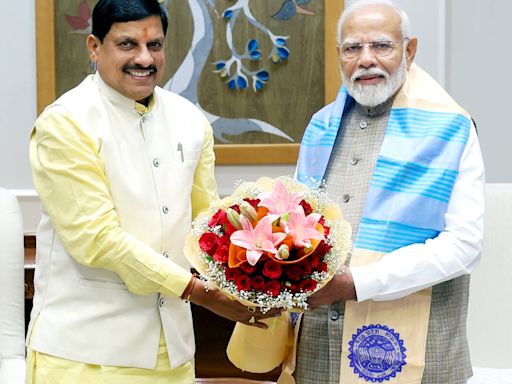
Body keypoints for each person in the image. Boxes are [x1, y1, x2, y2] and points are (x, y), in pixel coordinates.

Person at [26, 0, 278, 382]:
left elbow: (206, 225)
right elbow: (97, 239)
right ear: (94, 47)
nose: (144, 58)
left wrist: (268, 273)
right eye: (127, 44)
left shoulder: (189, 120)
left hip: (173, 352)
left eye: (155, 45)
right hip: (85, 355)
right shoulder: (65, 124)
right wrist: (199, 292)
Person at [294, 1, 484, 383]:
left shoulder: (451, 127)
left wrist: (357, 285)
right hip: (318, 348)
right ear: (339, 55)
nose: (366, 60)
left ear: (409, 50)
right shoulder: (320, 127)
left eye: (381, 46)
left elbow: (464, 246)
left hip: (418, 349)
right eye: (352, 48)